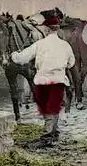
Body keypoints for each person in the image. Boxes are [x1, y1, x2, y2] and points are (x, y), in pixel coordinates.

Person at [10, 16, 78, 146]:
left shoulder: (39, 44)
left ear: (46, 29)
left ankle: (47, 136)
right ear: (57, 30)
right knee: (55, 106)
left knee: (47, 109)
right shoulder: (65, 45)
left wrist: (14, 54)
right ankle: (55, 132)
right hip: (59, 80)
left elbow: (22, 58)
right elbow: (71, 63)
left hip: (44, 80)